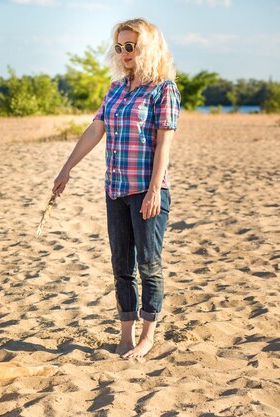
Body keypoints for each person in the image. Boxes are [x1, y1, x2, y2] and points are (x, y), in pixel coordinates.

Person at [52, 18, 181, 359]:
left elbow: (164, 145)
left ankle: (148, 336)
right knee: (121, 265)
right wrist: (67, 168)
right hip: (116, 190)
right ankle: (126, 335)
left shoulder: (163, 89)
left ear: (148, 48)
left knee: (149, 264)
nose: (124, 53)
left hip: (147, 190)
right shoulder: (116, 89)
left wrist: (155, 190)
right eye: (120, 46)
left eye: (131, 46)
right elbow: (95, 130)